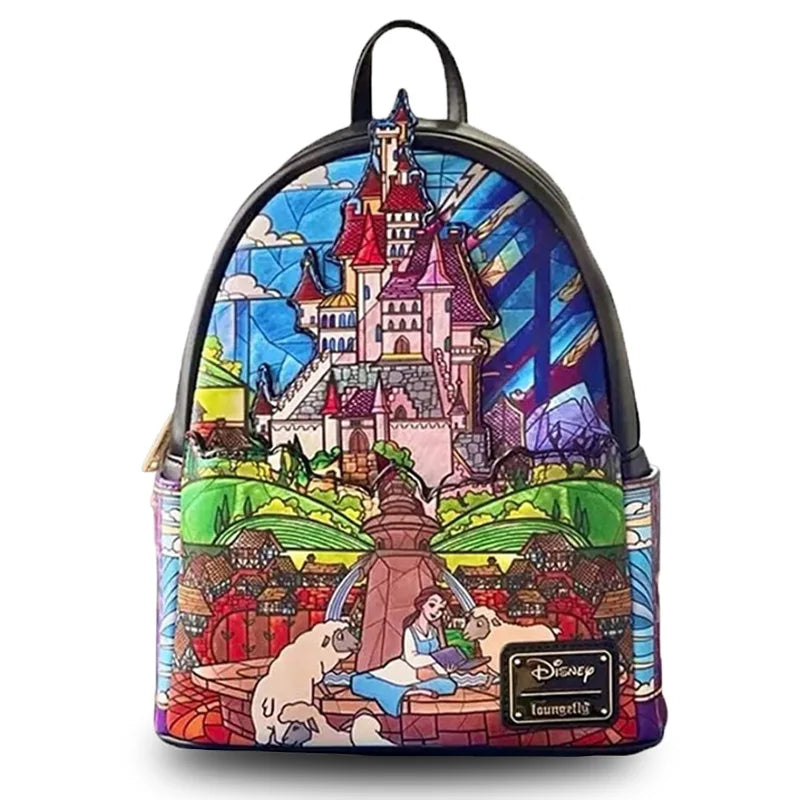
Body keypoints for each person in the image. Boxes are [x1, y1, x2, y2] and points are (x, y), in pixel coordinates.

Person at [350, 587, 458, 716]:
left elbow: (438, 658)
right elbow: (412, 659)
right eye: (432, 605)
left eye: (440, 609)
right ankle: (410, 691)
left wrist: (445, 670)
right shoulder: (411, 631)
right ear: (422, 604)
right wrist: (436, 658)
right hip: (407, 670)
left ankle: (409, 690)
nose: (436, 611)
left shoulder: (433, 632)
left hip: (428, 673)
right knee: (359, 682)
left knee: (450, 685)